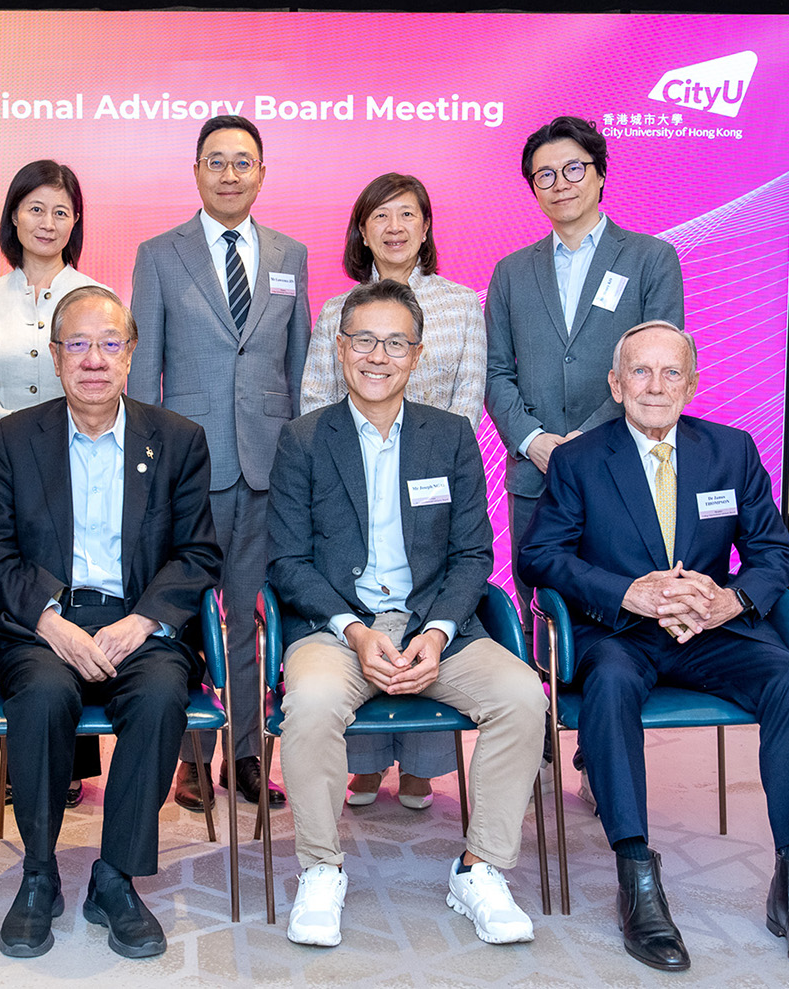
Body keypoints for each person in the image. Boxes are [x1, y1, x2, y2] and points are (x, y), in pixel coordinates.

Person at [518, 321, 789, 976]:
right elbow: (539, 555)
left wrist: (732, 599)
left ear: (693, 383)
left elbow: (774, 553)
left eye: (672, 372)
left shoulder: (732, 450)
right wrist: (626, 592)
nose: (656, 385)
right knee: (609, 685)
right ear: (615, 383)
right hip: (619, 633)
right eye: (640, 371)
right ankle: (637, 877)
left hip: (710, 630)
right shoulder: (580, 460)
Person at [268, 279, 546, 948]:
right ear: (340, 348)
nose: (378, 355)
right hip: (338, 628)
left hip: (436, 629)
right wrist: (356, 631)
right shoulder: (304, 440)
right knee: (309, 704)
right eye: (364, 339)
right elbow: (287, 561)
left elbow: (472, 554)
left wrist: (436, 630)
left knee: (522, 696)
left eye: (395, 342)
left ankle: (479, 868)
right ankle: (322, 868)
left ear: (417, 354)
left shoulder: (450, 437)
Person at [0, 286, 222, 960]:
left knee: (163, 692)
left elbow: (198, 554)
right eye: (77, 344)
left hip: (139, 621)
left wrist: (143, 621)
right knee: (46, 693)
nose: (93, 359)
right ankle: (39, 873)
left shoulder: (177, 441)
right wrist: (51, 621)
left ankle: (115, 876)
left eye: (110, 343)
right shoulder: (18, 440)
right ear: (54, 356)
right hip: (47, 622)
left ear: (131, 354)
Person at [129, 114, 310, 811]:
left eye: (243, 162)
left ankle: (245, 752)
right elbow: (145, 372)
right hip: (186, 471)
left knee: (246, 618)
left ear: (261, 173)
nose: (230, 174)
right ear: (196, 170)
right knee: (178, 615)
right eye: (217, 161)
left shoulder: (290, 252)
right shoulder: (160, 254)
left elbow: (294, 370)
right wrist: (146, 472)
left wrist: (296, 466)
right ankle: (190, 759)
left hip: (265, 472)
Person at [301, 172, 487, 811]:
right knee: (364, 607)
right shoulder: (337, 311)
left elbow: (467, 398)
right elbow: (316, 406)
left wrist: (433, 454)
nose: (395, 227)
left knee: (424, 600)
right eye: (380, 216)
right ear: (362, 230)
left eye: (408, 215)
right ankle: (363, 763)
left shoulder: (462, 303)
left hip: (434, 483)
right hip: (355, 484)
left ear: (427, 226)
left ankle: (418, 767)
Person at [483, 115, 684, 631]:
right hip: (537, 470)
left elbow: (659, 367)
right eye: (544, 175)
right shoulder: (510, 271)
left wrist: (584, 441)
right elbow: (495, 372)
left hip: (622, 462)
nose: (560, 183)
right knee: (541, 610)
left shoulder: (651, 259)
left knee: (624, 607)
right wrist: (534, 440)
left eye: (574, 168)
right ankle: (544, 711)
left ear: (599, 175)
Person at [0, 160, 107, 808]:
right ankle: (21, 757)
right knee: (17, 610)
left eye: (61, 211)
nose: (48, 222)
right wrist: (0, 452)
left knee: (75, 602)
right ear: (14, 215)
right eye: (36, 208)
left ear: (75, 222)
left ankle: (70, 757)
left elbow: (103, 382)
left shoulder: (94, 292)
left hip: (81, 472)